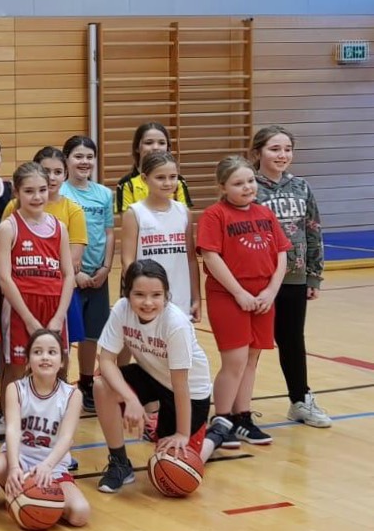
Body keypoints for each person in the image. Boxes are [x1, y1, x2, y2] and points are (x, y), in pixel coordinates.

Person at [93, 260, 236, 493]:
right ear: (127, 294)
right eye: (139, 294)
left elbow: (180, 385)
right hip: (152, 374)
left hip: (189, 391)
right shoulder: (121, 309)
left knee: (177, 467)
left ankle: (216, 434)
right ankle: (120, 463)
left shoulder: (176, 323)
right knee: (101, 385)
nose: (148, 302)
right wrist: (130, 399)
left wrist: (182, 434)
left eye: (156, 295)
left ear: (166, 295)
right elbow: (106, 360)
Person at [0, 148, 88, 445]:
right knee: (16, 369)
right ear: (16, 192)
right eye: (29, 191)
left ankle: (54, 433)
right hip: (20, 307)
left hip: (54, 306)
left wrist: (58, 317)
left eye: (42, 190)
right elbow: (4, 277)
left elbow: (68, 275)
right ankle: (11, 429)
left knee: (58, 367)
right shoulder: (8, 227)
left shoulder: (60, 227)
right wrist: (28, 319)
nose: (37, 196)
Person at [197, 156, 290, 448]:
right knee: (234, 360)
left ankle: (242, 417)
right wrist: (238, 292)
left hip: (262, 297)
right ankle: (221, 420)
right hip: (229, 296)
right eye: (238, 183)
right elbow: (211, 256)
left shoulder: (265, 213)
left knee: (251, 359)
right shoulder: (215, 215)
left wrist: (271, 291)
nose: (247, 187)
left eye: (250, 181)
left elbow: (281, 254)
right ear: (223, 187)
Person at [252, 125, 331, 428]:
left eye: (287, 149)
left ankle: (300, 400)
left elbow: (313, 230)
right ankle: (238, 409)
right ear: (258, 152)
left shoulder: (301, 187)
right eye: (274, 149)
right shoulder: (249, 187)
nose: (282, 155)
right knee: (251, 346)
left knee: (293, 341)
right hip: (258, 280)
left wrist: (313, 276)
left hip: (294, 278)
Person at [0, 328, 90, 525]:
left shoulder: (72, 394)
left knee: (80, 514)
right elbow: (12, 430)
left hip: (52, 467)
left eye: (52, 352)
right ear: (27, 360)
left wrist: (47, 466)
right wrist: (13, 467)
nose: (45, 357)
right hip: (18, 461)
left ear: (62, 361)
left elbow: (66, 438)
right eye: (37, 352)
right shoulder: (16, 388)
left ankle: (37, 500)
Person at [60, 135, 115, 413]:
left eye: (89, 157)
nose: (84, 162)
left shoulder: (104, 194)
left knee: (92, 335)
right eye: (78, 156)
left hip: (97, 276)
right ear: (66, 159)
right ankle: (58, 385)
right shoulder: (61, 193)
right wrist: (74, 273)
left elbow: (109, 233)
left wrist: (106, 268)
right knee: (65, 337)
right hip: (69, 277)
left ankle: (86, 382)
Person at [119, 151, 200, 320]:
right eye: (160, 177)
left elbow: (191, 259)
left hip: (180, 298)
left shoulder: (184, 212)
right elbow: (128, 262)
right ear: (144, 178)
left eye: (173, 177)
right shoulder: (134, 213)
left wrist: (196, 297)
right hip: (148, 301)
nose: (168, 183)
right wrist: (142, 295)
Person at [115, 122, 194, 213]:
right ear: (137, 147)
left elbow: (184, 216)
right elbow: (127, 219)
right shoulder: (126, 184)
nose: (156, 147)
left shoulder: (179, 181)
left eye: (161, 143)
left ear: (168, 148)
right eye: (148, 143)